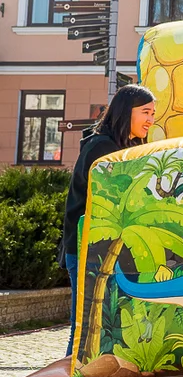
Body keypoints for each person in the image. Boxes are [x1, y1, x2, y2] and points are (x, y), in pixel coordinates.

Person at [60, 84, 156, 357]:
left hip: (106, 251)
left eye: (153, 113)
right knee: (86, 327)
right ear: (127, 112)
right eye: (145, 112)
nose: (151, 119)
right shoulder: (103, 148)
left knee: (105, 325)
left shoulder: (125, 146)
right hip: (88, 250)